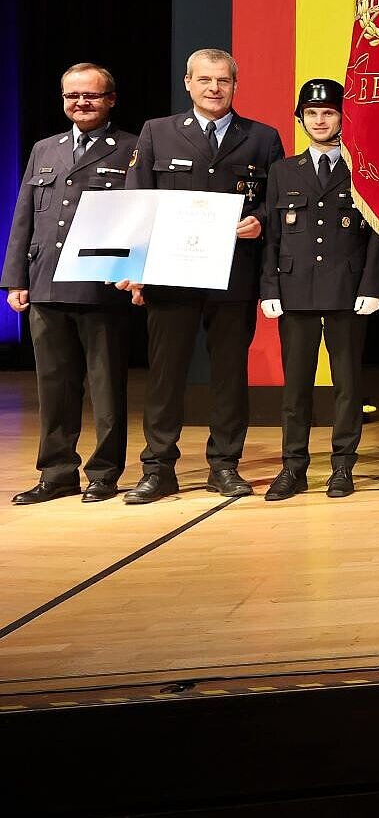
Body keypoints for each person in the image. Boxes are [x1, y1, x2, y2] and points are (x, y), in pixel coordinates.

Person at [121, 49, 285, 504]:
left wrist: (261, 221)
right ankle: (158, 469)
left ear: (236, 85)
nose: (214, 89)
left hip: (233, 275)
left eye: (224, 81)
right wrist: (135, 271)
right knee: (165, 375)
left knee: (230, 375)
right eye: (205, 80)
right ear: (188, 83)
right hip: (169, 275)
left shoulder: (262, 137)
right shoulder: (157, 132)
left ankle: (225, 465)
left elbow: (276, 200)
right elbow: (139, 203)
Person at [5, 63, 135, 504]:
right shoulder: (46, 148)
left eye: (91, 96)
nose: (80, 103)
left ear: (110, 100)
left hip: (101, 286)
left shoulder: (132, 149)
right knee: (54, 386)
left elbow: (139, 219)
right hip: (45, 282)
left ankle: (104, 472)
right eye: (71, 96)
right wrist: (15, 279)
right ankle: (57, 472)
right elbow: (25, 215)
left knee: (106, 387)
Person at [256, 80, 379, 500]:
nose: (319, 120)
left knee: (348, 386)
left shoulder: (363, 168)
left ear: (342, 117)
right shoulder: (283, 171)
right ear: (300, 119)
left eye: (328, 112)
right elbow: (272, 236)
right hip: (295, 291)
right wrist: (269, 287)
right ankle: (292, 467)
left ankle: (342, 466)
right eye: (311, 113)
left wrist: (372, 285)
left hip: (348, 291)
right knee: (296, 388)